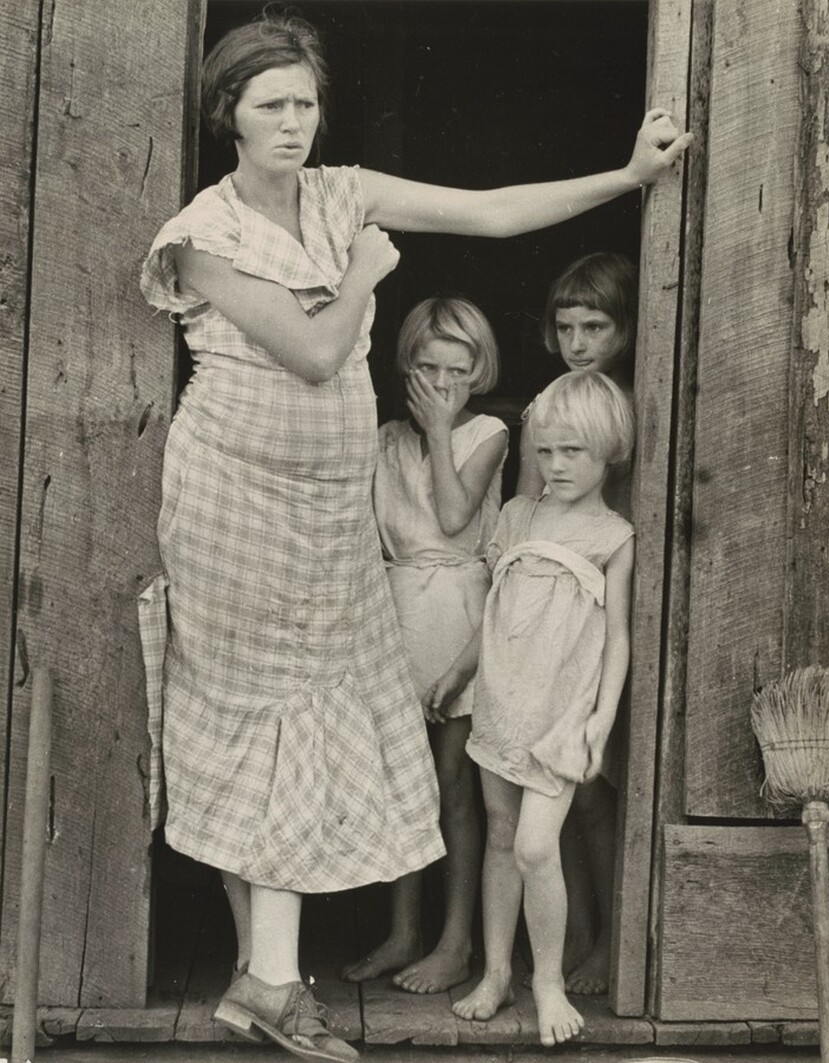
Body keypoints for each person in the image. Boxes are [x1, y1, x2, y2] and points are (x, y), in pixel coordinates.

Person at [138, 9, 689, 1061]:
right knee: (249, 720)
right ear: (229, 116)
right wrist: (363, 275)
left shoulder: (343, 192)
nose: (294, 122)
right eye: (272, 106)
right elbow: (309, 349)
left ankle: (267, 978)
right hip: (233, 505)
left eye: (306, 102)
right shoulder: (200, 235)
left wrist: (627, 178)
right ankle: (270, 978)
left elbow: (489, 213)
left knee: (306, 724)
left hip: (324, 514)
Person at [426, 372, 635, 1045]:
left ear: (608, 451)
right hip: (501, 698)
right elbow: (493, 608)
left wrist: (600, 718)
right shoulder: (515, 516)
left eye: (573, 451)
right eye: (545, 451)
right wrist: (459, 672)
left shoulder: (612, 534)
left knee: (535, 844)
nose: (556, 465)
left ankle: (544, 980)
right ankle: (494, 972)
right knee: (497, 831)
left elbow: (619, 636)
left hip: (561, 712)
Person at [341, 298, 507, 994]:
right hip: (395, 616)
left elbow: (450, 514)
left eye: (456, 371)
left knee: (452, 789)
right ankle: (404, 930)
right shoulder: (382, 440)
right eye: (426, 367)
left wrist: (440, 431)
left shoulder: (488, 433)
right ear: (404, 367)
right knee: (401, 789)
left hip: (459, 612)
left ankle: (455, 941)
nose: (440, 383)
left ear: (478, 373)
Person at [516, 252, 637, 996]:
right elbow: (530, 510)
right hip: (563, 617)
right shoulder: (552, 406)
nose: (578, 342)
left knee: (613, 784)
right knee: (578, 786)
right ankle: (586, 935)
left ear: (625, 327)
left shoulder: (630, 398)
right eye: (565, 327)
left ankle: (616, 939)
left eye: (594, 326)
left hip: (625, 593)